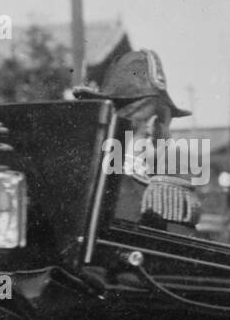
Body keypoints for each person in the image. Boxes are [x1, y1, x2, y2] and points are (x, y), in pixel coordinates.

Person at [75, 49, 201, 234]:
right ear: (153, 126)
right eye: (167, 125)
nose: (169, 138)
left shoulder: (77, 180)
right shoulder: (163, 201)